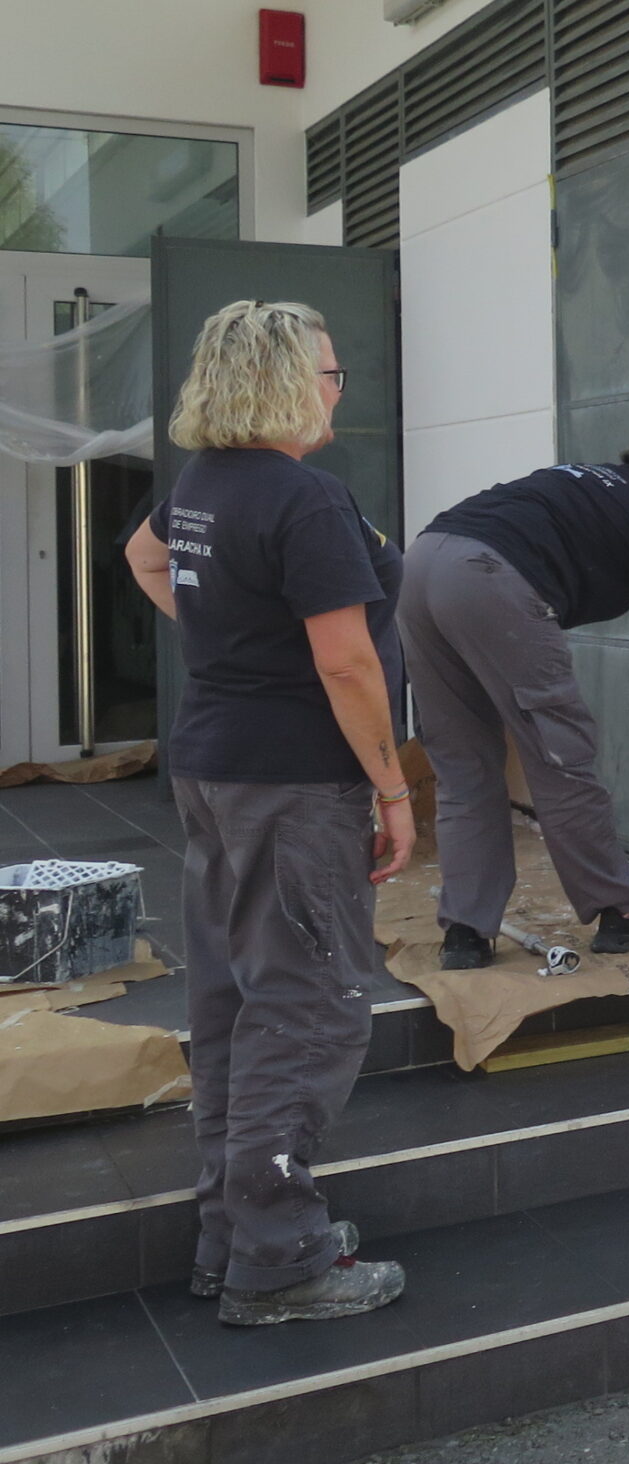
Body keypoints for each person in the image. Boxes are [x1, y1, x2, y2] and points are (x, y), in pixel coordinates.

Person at [122, 300, 410, 1325]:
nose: (340, 389)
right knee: (310, 1006)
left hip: (214, 769)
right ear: (288, 381)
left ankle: (233, 1234)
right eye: (330, 374)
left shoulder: (201, 486)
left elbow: (145, 561)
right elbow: (343, 658)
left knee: (237, 1003)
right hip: (292, 780)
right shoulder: (304, 498)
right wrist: (390, 785)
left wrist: (229, 634)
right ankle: (279, 1260)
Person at [402, 417, 629, 969]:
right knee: (561, 758)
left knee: (462, 765)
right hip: (489, 577)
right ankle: (622, 914)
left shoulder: (588, 481)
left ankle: (466, 933)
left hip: (421, 565)